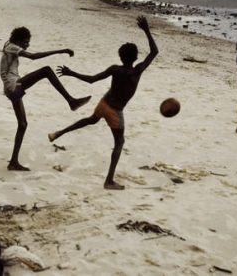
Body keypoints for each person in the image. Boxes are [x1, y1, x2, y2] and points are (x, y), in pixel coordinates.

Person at [48, 16, 158, 190]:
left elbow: (92, 80)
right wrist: (146, 30)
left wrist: (71, 73)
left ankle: (60, 132)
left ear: (120, 56)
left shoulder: (115, 69)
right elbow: (154, 52)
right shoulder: (138, 70)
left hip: (104, 103)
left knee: (91, 119)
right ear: (136, 57)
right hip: (115, 111)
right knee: (119, 143)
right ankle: (109, 181)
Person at [0, 26, 92, 171]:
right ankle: (71, 101)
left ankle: (13, 162)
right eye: (25, 42)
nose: (27, 45)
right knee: (46, 70)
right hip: (14, 86)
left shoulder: (9, 46)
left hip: (12, 89)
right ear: (18, 40)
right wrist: (60, 51)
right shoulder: (12, 47)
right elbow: (33, 56)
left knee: (23, 124)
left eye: (28, 42)